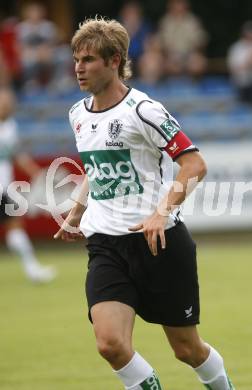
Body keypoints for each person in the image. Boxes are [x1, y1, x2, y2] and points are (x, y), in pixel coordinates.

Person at [54, 16, 235, 389]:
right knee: (110, 345)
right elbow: (95, 166)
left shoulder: (144, 110)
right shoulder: (77, 114)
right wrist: (77, 210)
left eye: (88, 59)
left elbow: (194, 164)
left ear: (115, 59)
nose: (78, 68)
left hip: (159, 243)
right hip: (106, 244)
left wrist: (160, 212)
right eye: (76, 59)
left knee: (187, 349)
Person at [0, 88, 56, 283]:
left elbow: (15, 155)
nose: (7, 107)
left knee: (15, 227)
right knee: (15, 227)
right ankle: (33, 270)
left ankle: (32, 270)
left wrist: (35, 172)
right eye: (4, 103)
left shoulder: (10, 126)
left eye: (10, 103)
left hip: (3, 189)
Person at [158, 0, 208, 78]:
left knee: (198, 63)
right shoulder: (165, 21)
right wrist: (169, 55)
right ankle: (171, 86)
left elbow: (201, 40)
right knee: (164, 64)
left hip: (190, 55)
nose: (179, 6)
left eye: (181, 3)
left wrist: (195, 50)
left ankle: (194, 86)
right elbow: (161, 43)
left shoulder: (193, 21)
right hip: (171, 56)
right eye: (176, 3)